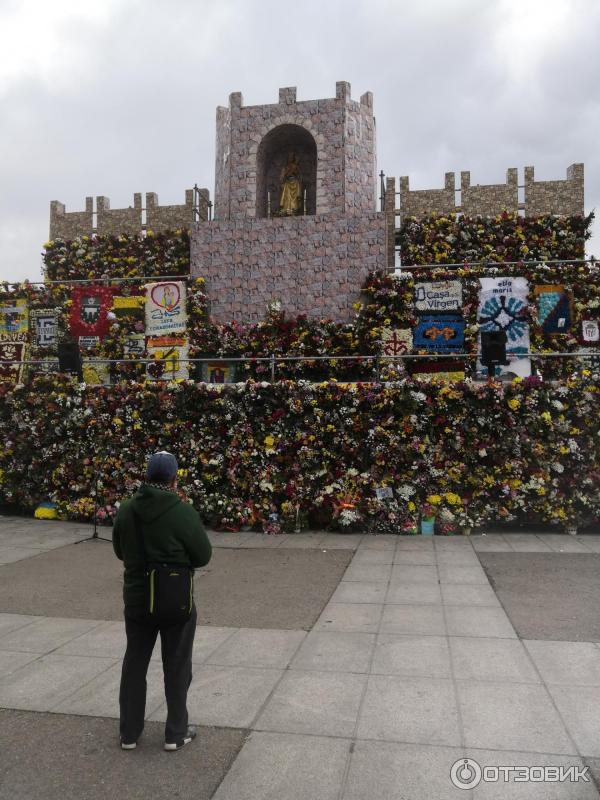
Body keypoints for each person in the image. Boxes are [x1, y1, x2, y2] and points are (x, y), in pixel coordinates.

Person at [112, 451, 212, 751]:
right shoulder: (183, 512)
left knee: (134, 664)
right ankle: (176, 733)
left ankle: (129, 733)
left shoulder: (127, 509)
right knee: (177, 664)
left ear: (147, 475)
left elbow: (120, 549)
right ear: (174, 477)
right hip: (174, 599)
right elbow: (203, 555)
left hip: (138, 598)